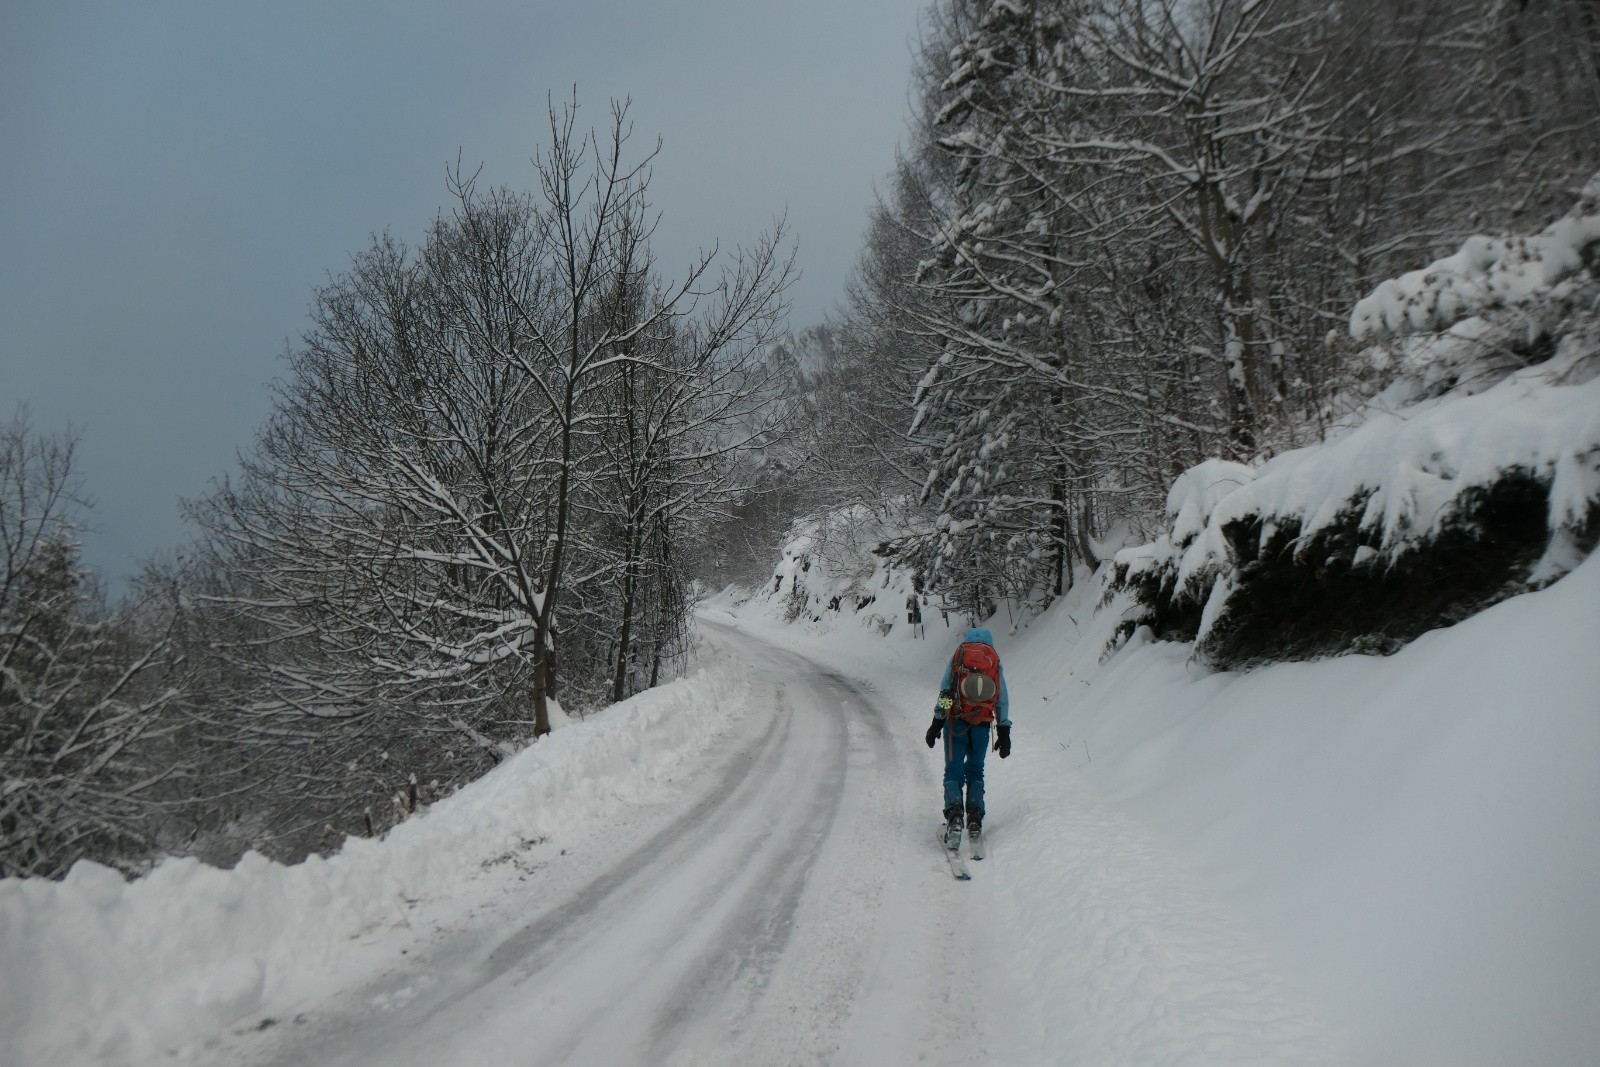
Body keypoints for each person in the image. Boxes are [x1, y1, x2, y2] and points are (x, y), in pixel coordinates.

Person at [924, 626, 1011, 849]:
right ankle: (974, 818)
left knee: (953, 769)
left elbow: (945, 691)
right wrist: (1004, 731)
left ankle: (954, 817)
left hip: (956, 722)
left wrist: (937, 722)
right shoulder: (993, 661)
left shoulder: (959, 656)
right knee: (975, 769)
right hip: (982, 724)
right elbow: (1001, 698)